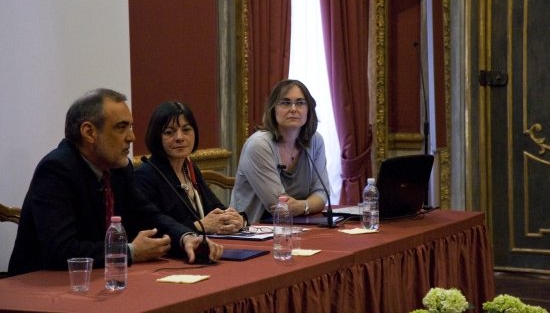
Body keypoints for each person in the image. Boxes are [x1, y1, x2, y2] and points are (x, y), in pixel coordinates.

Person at [8, 88, 223, 276]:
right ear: (89, 132)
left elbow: (149, 215)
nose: (132, 137)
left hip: (102, 278)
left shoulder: (119, 168)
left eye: (130, 127)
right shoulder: (57, 170)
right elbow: (61, 250)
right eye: (121, 127)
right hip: (41, 287)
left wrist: (186, 237)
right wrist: (129, 252)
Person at [135, 101, 246, 234]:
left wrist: (237, 219)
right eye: (169, 132)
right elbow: (153, 229)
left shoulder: (189, 168)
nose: (180, 137)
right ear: (156, 137)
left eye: (186, 130)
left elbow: (215, 208)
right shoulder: (146, 176)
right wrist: (199, 226)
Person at [230, 79, 331, 223]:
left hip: (299, 225)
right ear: (273, 109)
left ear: (309, 110)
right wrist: (308, 205)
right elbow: (279, 206)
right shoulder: (259, 145)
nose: (293, 109)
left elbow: (322, 193)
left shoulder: (315, 141)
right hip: (252, 229)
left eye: (300, 103)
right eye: (285, 103)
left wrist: (303, 206)